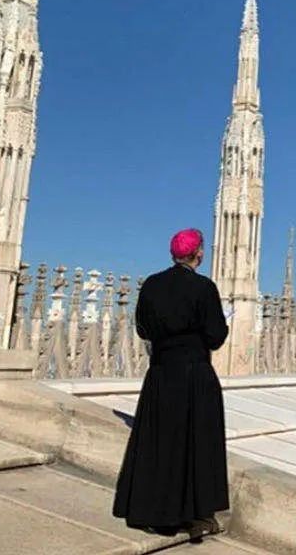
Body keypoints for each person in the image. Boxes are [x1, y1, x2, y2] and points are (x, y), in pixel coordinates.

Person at [113, 228, 229, 537]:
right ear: (199, 254)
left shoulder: (152, 284)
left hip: (161, 374)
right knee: (195, 446)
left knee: (159, 443)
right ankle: (198, 518)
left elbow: (142, 328)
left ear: (172, 254)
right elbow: (216, 336)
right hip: (194, 376)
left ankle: (148, 510)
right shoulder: (204, 288)